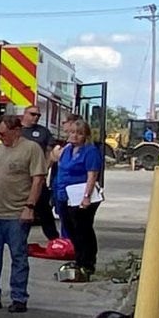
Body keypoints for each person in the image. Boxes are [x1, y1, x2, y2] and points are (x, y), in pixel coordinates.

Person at [0, 115, 46, 313]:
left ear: (16, 130)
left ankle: (19, 297)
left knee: (18, 256)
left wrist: (29, 207)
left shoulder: (31, 149)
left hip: (16, 213)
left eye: (3, 133)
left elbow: (38, 180)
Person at [54, 119, 105, 279]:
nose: (75, 136)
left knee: (82, 229)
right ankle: (78, 258)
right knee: (70, 229)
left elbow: (92, 174)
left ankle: (87, 263)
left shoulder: (90, 151)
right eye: (72, 132)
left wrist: (86, 196)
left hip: (80, 196)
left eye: (79, 133)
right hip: (63, 195)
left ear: (86, 136)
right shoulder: (67, 149)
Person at [20, 105, 60, 242]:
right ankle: (20, 239)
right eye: (32, 114)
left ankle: (54, 239)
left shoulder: (43, 132)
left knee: (44, 209)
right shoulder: (17, 131)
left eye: (38, 115)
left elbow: (50, 152)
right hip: (21, 178)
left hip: (37, 176)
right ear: (25, 114)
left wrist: (44, 169)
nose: (35, 117)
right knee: (21, 209)